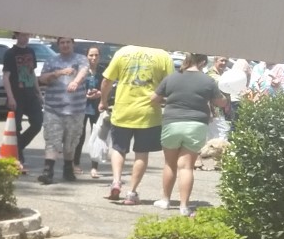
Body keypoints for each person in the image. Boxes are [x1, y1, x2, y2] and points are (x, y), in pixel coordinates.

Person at [151, 53, 228, 216]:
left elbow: (154, 98)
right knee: (186, 166)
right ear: (203, 62)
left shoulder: (172, 78)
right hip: (196, 124)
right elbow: (221, 102)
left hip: (172, 122)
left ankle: (165, 200)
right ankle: (184, 206)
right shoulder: (208, 81)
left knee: (169, 164)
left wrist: (169, 101)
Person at [99, 45, 173, 205]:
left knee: (118, 148)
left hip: (123, 110)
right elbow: (171, 84)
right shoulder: (163, 55)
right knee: (141, 153)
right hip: (149, 112)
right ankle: (131, 193)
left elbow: (106, 80)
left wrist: (103, 101)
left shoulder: (123, 52)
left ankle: (116, 181)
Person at [35, 36, 89, 183]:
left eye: (68, 42)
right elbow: (41, 79)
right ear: (58, 45)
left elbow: (84, 71)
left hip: (75, 109)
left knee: (71, 141)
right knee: (52, 139)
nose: (65, 45)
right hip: (53, 109)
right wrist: (58, 73)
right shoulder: (51, 61)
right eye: (62, 43)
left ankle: (68, 169)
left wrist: (75, 82)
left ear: (73, 44)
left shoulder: (81, 59)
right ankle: (48, 172)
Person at [0, 32, 43, 173]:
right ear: (17, 36)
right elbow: (6, 77)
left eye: (27, 35)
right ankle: (19, 158)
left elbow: (32, 73)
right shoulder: (10, 53)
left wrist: (38, 93)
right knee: (16, 127)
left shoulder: (31, 52)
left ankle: (18, 147)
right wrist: (10, 97)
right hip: (17, 94)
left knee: (37, 123)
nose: (25, 37)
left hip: (31, 94)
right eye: (23, 35)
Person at [74, 45, 104, 179]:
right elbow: (74, 86)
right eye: (91, 55)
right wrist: (84, 94)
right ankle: (75, 164)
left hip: (96, 107)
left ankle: (94, 167)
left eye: (96, 55)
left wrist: (100, 93)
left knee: (96, 136)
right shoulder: (81, 70)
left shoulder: (103, 71)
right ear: (86, 56)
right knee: (79, 136)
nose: (94, 58)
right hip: (82, 106)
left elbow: (108, 87)